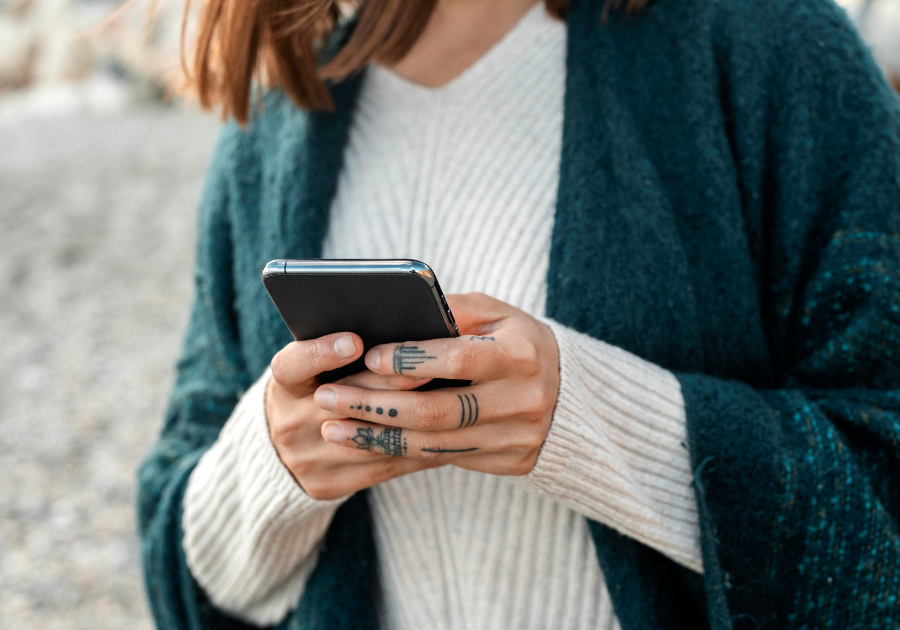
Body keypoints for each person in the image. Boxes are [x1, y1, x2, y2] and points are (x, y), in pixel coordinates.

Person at [137, 0, 900, 627]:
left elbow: (883, 483)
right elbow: (183, 569)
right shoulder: (276, 122)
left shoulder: (773, 43)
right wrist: (275, 463)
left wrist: (590, 419)